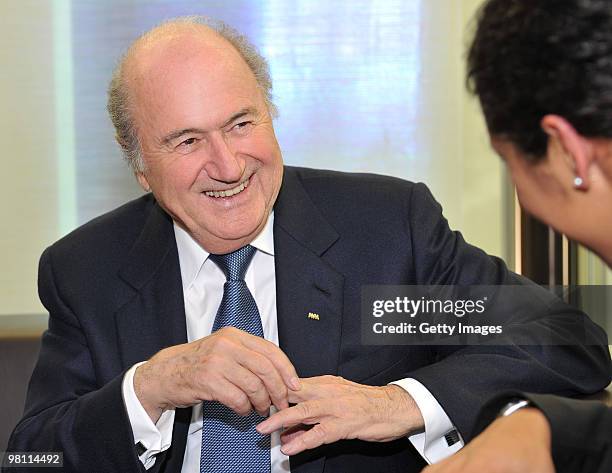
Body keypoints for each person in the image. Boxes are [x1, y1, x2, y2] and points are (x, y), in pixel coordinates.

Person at [6, 15, 610, 473]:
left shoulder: (382, 234)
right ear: (140, 168)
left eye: (242, 124)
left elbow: (565, 341)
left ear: (271, 115)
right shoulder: (88, 268)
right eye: (187, 141)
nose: (227, 165)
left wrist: (397, 404)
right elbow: (32, 459)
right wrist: (150, 388)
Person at [423, 0, 612, 472]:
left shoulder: (399, 223)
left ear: (568, 153)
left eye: (505, 161)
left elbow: (570, 337)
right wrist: (541, 426)